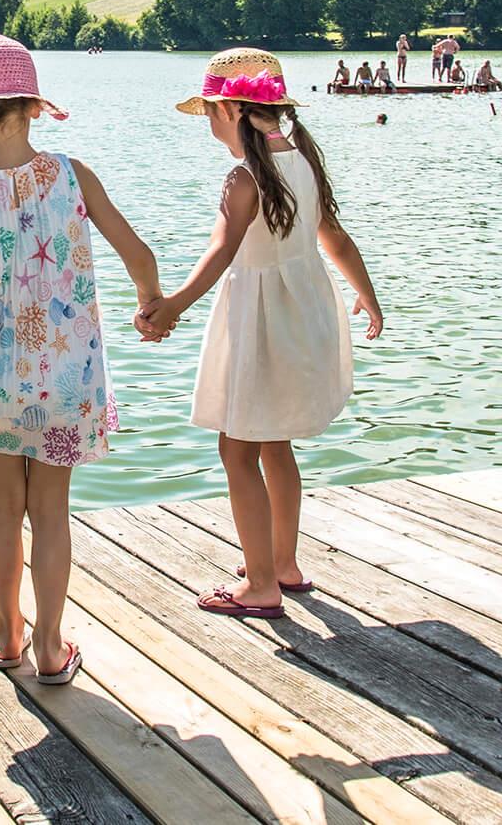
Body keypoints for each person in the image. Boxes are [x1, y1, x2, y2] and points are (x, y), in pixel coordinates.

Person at [0, 35, 162, 684]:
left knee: (2, 509)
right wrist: (150, 305)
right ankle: (52, 647)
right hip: (66, 381)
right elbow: (138, 254)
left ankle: (7, 636)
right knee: (51, 512)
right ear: (33, 107)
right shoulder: (72, 175)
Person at [140, 48, 383, 617]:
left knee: (237, 449)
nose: (207, 122)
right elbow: (335, 239)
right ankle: (283, 563)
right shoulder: (303, 161)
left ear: (229, 111)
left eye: (209, 112)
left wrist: (172, 305)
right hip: (303, 314)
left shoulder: (244, 177)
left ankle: (260, 587)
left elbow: (221, 252)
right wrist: (367, 295)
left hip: (260, 322)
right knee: (276, 443)